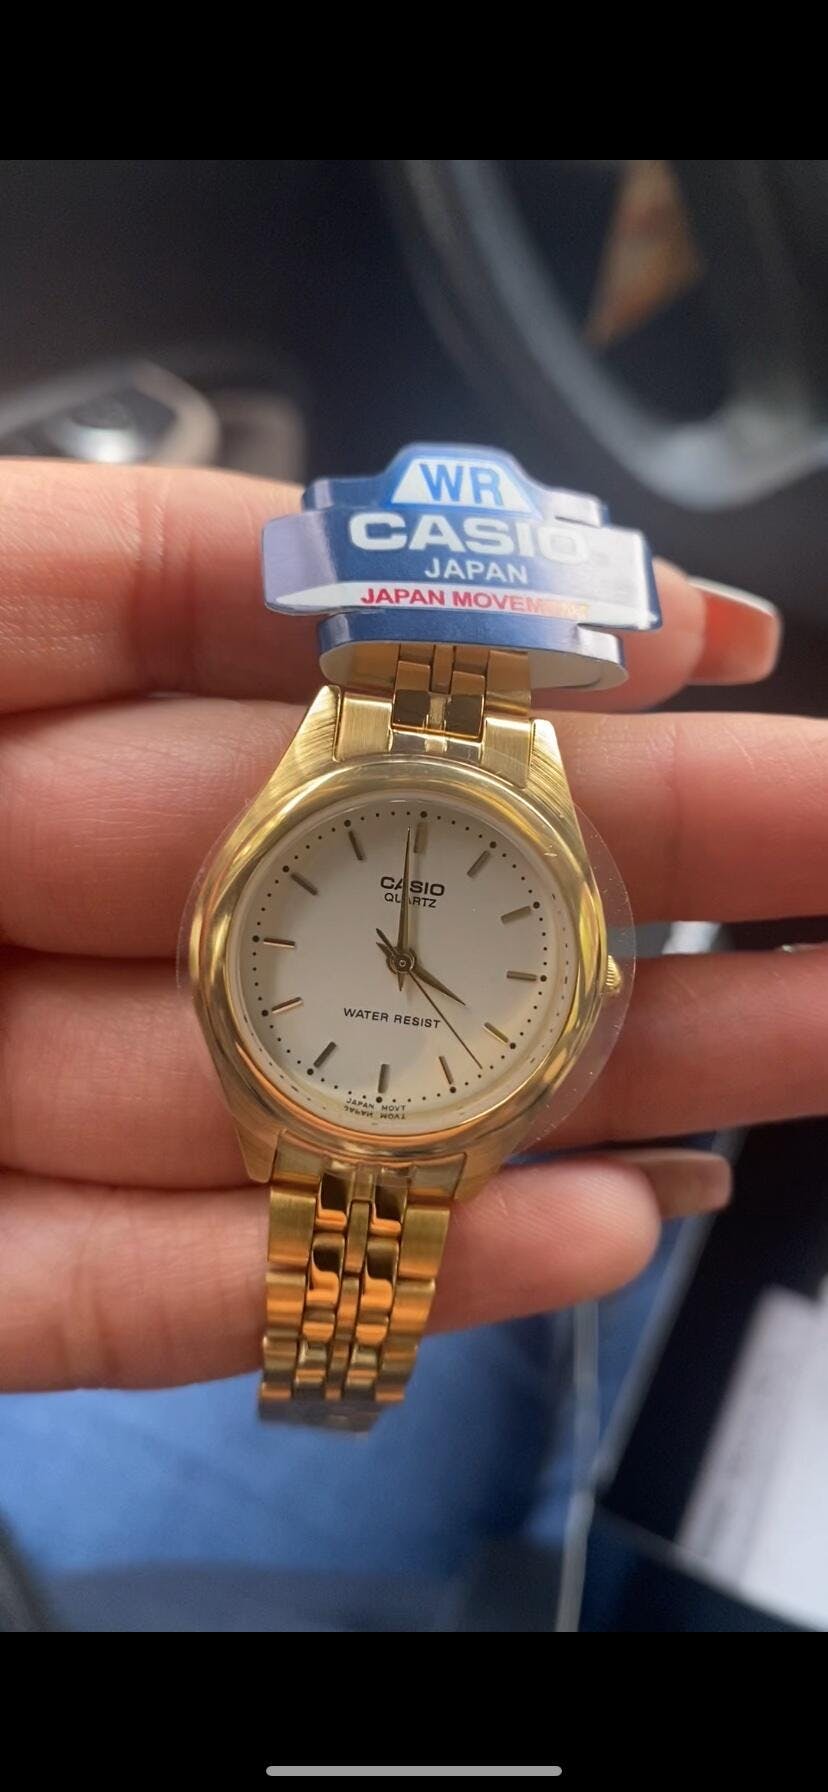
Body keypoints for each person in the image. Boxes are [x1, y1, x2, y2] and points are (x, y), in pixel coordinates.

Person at [0, 460, 822, 1630]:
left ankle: (332, 1390)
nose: (398, 968)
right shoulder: (287, 840)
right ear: (217, 924)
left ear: (591, 982)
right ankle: (336, 1394)